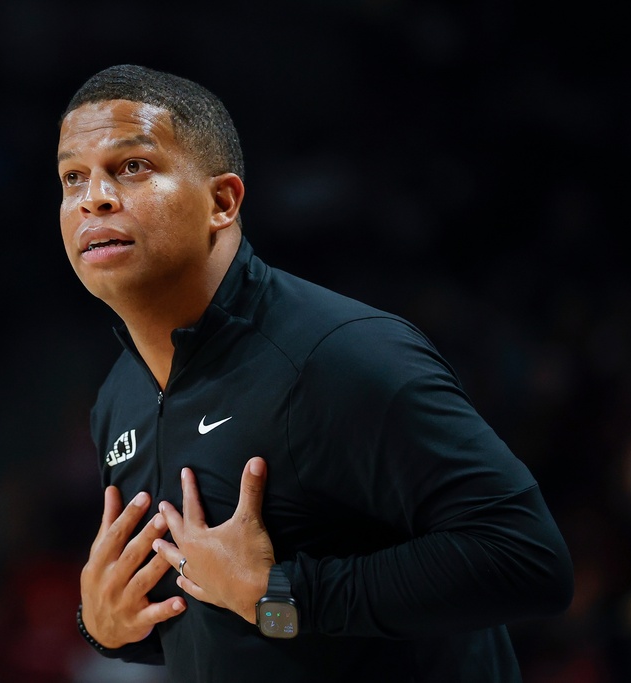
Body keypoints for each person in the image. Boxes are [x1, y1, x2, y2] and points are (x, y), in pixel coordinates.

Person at [57, 63, 574, 682]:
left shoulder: (339, 357)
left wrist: (281, 593)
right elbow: (231, 618)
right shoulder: (122, 395)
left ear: (222, 201)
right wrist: (108, 629)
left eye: (132, 167)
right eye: (73, 178)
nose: (95, 198)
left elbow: (528, 561)